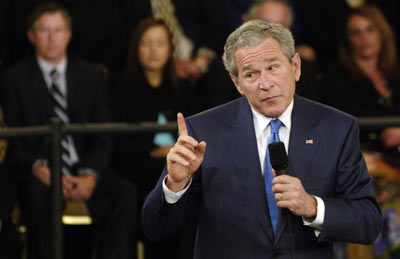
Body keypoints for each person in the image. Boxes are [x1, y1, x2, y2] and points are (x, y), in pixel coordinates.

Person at [141, 20, 382, 258]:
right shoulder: (204, 131)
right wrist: (175, 185)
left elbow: (368, 222)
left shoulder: (336, 128)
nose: (265, 84)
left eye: (273, 67)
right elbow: (155, 228)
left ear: (296, 67)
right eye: (251, 74)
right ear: (237, 84)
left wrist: (313, 207)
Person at [0, 2, 136, 259]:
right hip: (40, 174)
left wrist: (90, 174)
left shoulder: (91, 75)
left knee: (124, 194)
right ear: (31, 35)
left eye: (58, 30)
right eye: (44, 31)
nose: (52, 39)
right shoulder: (12, 79)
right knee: (37, 198)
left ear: (69, 35)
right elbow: (13, 144)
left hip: (83, 169)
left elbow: (103, 136)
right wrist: (40, 169)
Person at [111, 17, 194, 259]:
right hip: (138, 170)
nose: (153, 50)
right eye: (146, 43)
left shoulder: (185, 90)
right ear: (135, 47)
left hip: (179, 169)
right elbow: (117, 144)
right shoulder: (120, 89)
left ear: (170, 48)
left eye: (160, 43)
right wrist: (156, 152)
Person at [321, 5, 400, 154]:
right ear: (347, 39)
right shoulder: (336, 77)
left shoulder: (395, 73)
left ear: (381, 33)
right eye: (356, 32)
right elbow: (343, 125)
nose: (364, 38)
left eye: (370, 29)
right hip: (361, 156)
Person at [243, 0, 321, 102]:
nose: (270, 34)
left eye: (278, 28)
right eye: (263, 25)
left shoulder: (304, 72)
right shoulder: (227, 70)